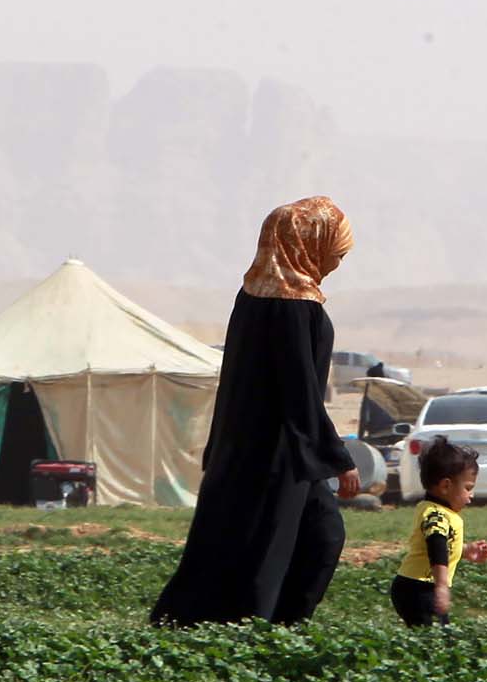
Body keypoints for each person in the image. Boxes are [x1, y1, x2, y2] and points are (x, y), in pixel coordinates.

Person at [150, 196, 360, 627]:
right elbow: (299, 392)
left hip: (263, 448)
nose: (339, 256)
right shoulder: (291, 307)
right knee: (263, 546)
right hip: (277, 455)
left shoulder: (255, 298)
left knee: (317, 536)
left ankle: (277, 626)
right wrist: (338, 458)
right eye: (336, 246)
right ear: (307, 240)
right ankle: (250, 630)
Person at [390, 435, 487, 626]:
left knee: (437, 636)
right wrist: (441, 586)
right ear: (445, 486)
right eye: (468, 488)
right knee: (434, 640)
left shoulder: (440, 512)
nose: (471, 495)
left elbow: (445, 545)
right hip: (418, 588)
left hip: (417, 586)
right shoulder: (435, 514)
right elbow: (436, 548)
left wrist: (465, 550)